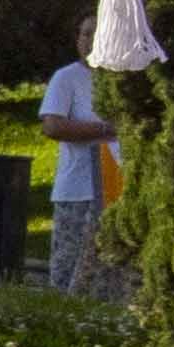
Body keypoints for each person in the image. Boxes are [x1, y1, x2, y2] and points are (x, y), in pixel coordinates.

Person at [37, 45, 114, 291]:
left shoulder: (126, 79)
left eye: (96, 32)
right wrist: (105, 130)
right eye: (85, 33)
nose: (90, 40)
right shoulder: (67, 77)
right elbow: (52, 127)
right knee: (68, 268)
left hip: (117, 185)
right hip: (77, 190)